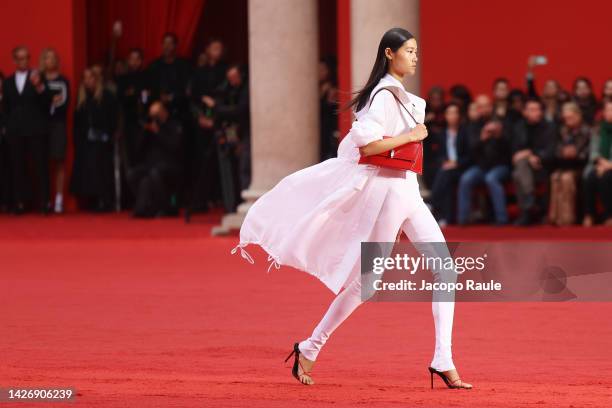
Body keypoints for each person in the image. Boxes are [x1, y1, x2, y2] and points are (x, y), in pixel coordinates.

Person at [231, 28, 472, 389]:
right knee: (368, 284)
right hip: (390, 193)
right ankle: (310, 347)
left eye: (416, 51)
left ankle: (442, 358)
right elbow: (367, 146)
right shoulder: (384, 96)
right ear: (389, 54)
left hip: (407, 190)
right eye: (409, 50)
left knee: (445, 271)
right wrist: (412, 136)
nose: (415, 57)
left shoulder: (400, 95)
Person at [3, 46, 52, 214]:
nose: (24, 61)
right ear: (15, 60)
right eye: (20, 58)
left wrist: (39, 86)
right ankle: (19, 203)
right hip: (15, 131)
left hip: (36, 129)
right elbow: (6, 108)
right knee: (17, 167)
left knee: (40, 167)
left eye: (26, 58)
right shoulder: (8, 82)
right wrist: (7, 127)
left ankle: (45, 203)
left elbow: (47, 101)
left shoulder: (38, 77)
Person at [69, 67, 118, 211]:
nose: (88, 81)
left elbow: (113, 118)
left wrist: (107, 134)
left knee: (101, 167)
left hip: (102, 140)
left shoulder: (107, 96)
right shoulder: (81, 99)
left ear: (97, 79)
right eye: (85, 78)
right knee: (87, 168)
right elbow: (77, 122)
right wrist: (78, 140)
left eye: (91, 78)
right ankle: (91, 198)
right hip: (85, 141)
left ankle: (105, 199)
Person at [127, 101, 182, 217]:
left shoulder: (174, 125)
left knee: (155, 173)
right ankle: (146, 205)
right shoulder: (149, 128)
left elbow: (174, 147)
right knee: (132, 174)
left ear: (164, 113)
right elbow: (138, 150)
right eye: (152, 114)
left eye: (157, 114)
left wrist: (158, 132)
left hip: (169, 165)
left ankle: (164, 208)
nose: (154, 117)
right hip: (150, 165)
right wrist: (145, 131)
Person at [511, 98, 556, 225]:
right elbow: (515, 151)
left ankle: (526, 210)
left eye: (538, 109)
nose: (536, 112)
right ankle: (529, 201)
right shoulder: (518, 127)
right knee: (520, 167)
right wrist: (528, 156)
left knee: (518, 173)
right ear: (525, 112)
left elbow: (550, 151)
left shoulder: (549, 126)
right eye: (531, 110)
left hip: (543, 165)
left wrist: (532, 155)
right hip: (524, 166)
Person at [457, 119, 511, 225]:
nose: (491, 131)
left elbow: (508, 153)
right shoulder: (479, 133)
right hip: (482, 168)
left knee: (491, 178)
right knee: (466, 178)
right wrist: (481, 139)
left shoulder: (504, 136)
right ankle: (463, 218)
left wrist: (498, 136)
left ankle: (502, 218)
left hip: (501, 167)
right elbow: (472, 154)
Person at [548, 102, 592, 226]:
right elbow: (555, 150)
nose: (568, 121)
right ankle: (555, 216)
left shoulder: (588, 130)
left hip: (581, 166)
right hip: (564, 165)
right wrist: (562, 152)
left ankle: (568, 217)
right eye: (566, 118)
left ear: (578, 116)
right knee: (555, 177)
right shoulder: (562, 130)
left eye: (571, 117)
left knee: (567, 179)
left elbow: (589, 152)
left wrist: (576, 153)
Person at [428, 102, 471, 226]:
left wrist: (456, 163)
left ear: (459, 116)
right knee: (445, 178)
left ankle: (432, 203)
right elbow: (439, 155)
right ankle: (446, 218)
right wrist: (444, 162)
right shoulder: (442, 134)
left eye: (454, 113)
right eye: (449, 113)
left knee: (443, 174)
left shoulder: (465, 132)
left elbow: (470, 156)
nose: (452, 116)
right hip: (447, 168)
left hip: (462, 167)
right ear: (445, 116)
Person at [40, 48, 70, 213]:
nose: (48, 61)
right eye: (46, 58)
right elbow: (37, 104)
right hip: (42, 125)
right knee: (42, 163)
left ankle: (59, 199)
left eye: (51, 58)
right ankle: (46, 199)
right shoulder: (39, 80)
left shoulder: (63, 81)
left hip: (58, 125)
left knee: (59, 161)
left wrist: (48, 101)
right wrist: (50, 100)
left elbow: (63, 104)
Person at [582, 100, 612, 226]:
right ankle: (589, 214)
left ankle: (609, 215)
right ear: (604, 112)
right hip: (599, 164)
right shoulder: (597, 129)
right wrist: (601, 163)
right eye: (609, 110)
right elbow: (593, 152)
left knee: (605, 178)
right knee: (590, 177)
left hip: (609, 166)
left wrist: (609, 165)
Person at [319, 56, 339, 161]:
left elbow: (330, 109)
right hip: (319, 128)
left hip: (328, 128)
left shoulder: (332, 89)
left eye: (322, 69)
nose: (319, 72)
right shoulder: (316, 87)